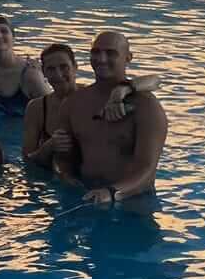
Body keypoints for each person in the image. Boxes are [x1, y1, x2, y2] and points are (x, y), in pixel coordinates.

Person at [63, 31, 169, 204]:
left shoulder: (147, 106)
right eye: (96, 52)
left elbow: (147, 172)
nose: (101, 59)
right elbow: (64, 160)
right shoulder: (74, 103)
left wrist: (112, 193)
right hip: (84, 196)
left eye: (111, 53)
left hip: (133, 202)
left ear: (128, 58)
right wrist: (65, 176)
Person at [22, 42, 79, 176]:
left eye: (64, 67)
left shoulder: (93, 99)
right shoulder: (36, 108)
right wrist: (49, 147)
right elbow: (27, 161)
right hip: (50, 182)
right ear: (44, 72)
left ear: (75, 67)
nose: (58, 74)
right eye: (51, 69)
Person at [0, 15, 51, 116]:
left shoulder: (30, 75)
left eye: (4, 31)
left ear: (13, 38)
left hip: (25, 130)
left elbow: (54, 109)